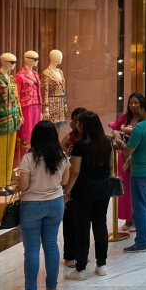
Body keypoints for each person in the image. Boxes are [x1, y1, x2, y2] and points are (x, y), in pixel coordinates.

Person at [13, 120, 70, 290]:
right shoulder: (62, 157)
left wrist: (18, 183)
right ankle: (51, 287)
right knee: (51, 245)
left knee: (31, 249)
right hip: (55, 203)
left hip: (32, 205)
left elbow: (23, 186)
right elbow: (64, 181)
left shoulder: (29, 158)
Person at [113, 96, 146, 253]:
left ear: (143, 110)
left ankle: (142, 241)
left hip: (142, 171)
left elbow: (129, 150)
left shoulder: (140, 127)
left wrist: (119, 142)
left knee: (140, 206)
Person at [63, 111, 111, 279]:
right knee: (100, 225)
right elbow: (111, 166)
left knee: (82, 228)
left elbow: (75, 172)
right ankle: (102, 264)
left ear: (84, 125)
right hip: (103, 187)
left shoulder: (80, 145)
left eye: (79, 123)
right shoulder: (107, 141)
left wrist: (67, 191)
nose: (76, 125)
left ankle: (81, 268)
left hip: (83, 190)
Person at [109, 93, 144, 233]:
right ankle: (128, 219)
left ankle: (136, 219)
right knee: (125, 189)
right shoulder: (125, 117)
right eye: (131, 103)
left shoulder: (144, 118)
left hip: (137, 156)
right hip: (123, 155)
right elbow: (114, 128)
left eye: (136, 103)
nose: (133, 105)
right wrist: (117, 133)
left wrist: (124, 130)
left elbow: (137, 132)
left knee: (136, 189)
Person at [61, 105, 87, 268]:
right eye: (75, 120)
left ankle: (81, 253)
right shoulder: (69, 137)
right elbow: (61, 155)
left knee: (83, 221)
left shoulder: (92, 138)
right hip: (71, 181)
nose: (77, 124)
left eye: (80, 121)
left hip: (85, 182)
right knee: (70, 219)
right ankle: (71, 253)